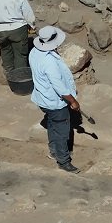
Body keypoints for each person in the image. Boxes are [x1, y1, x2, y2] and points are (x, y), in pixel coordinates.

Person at [29, 26, 83, 174]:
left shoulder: (34, 52)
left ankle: (53, 151)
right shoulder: (49, 62)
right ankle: (63, 161)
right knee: (61, 132)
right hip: (54, 102)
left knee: (52, 124)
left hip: (43, 99)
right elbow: (59, 86)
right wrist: (73, 101)